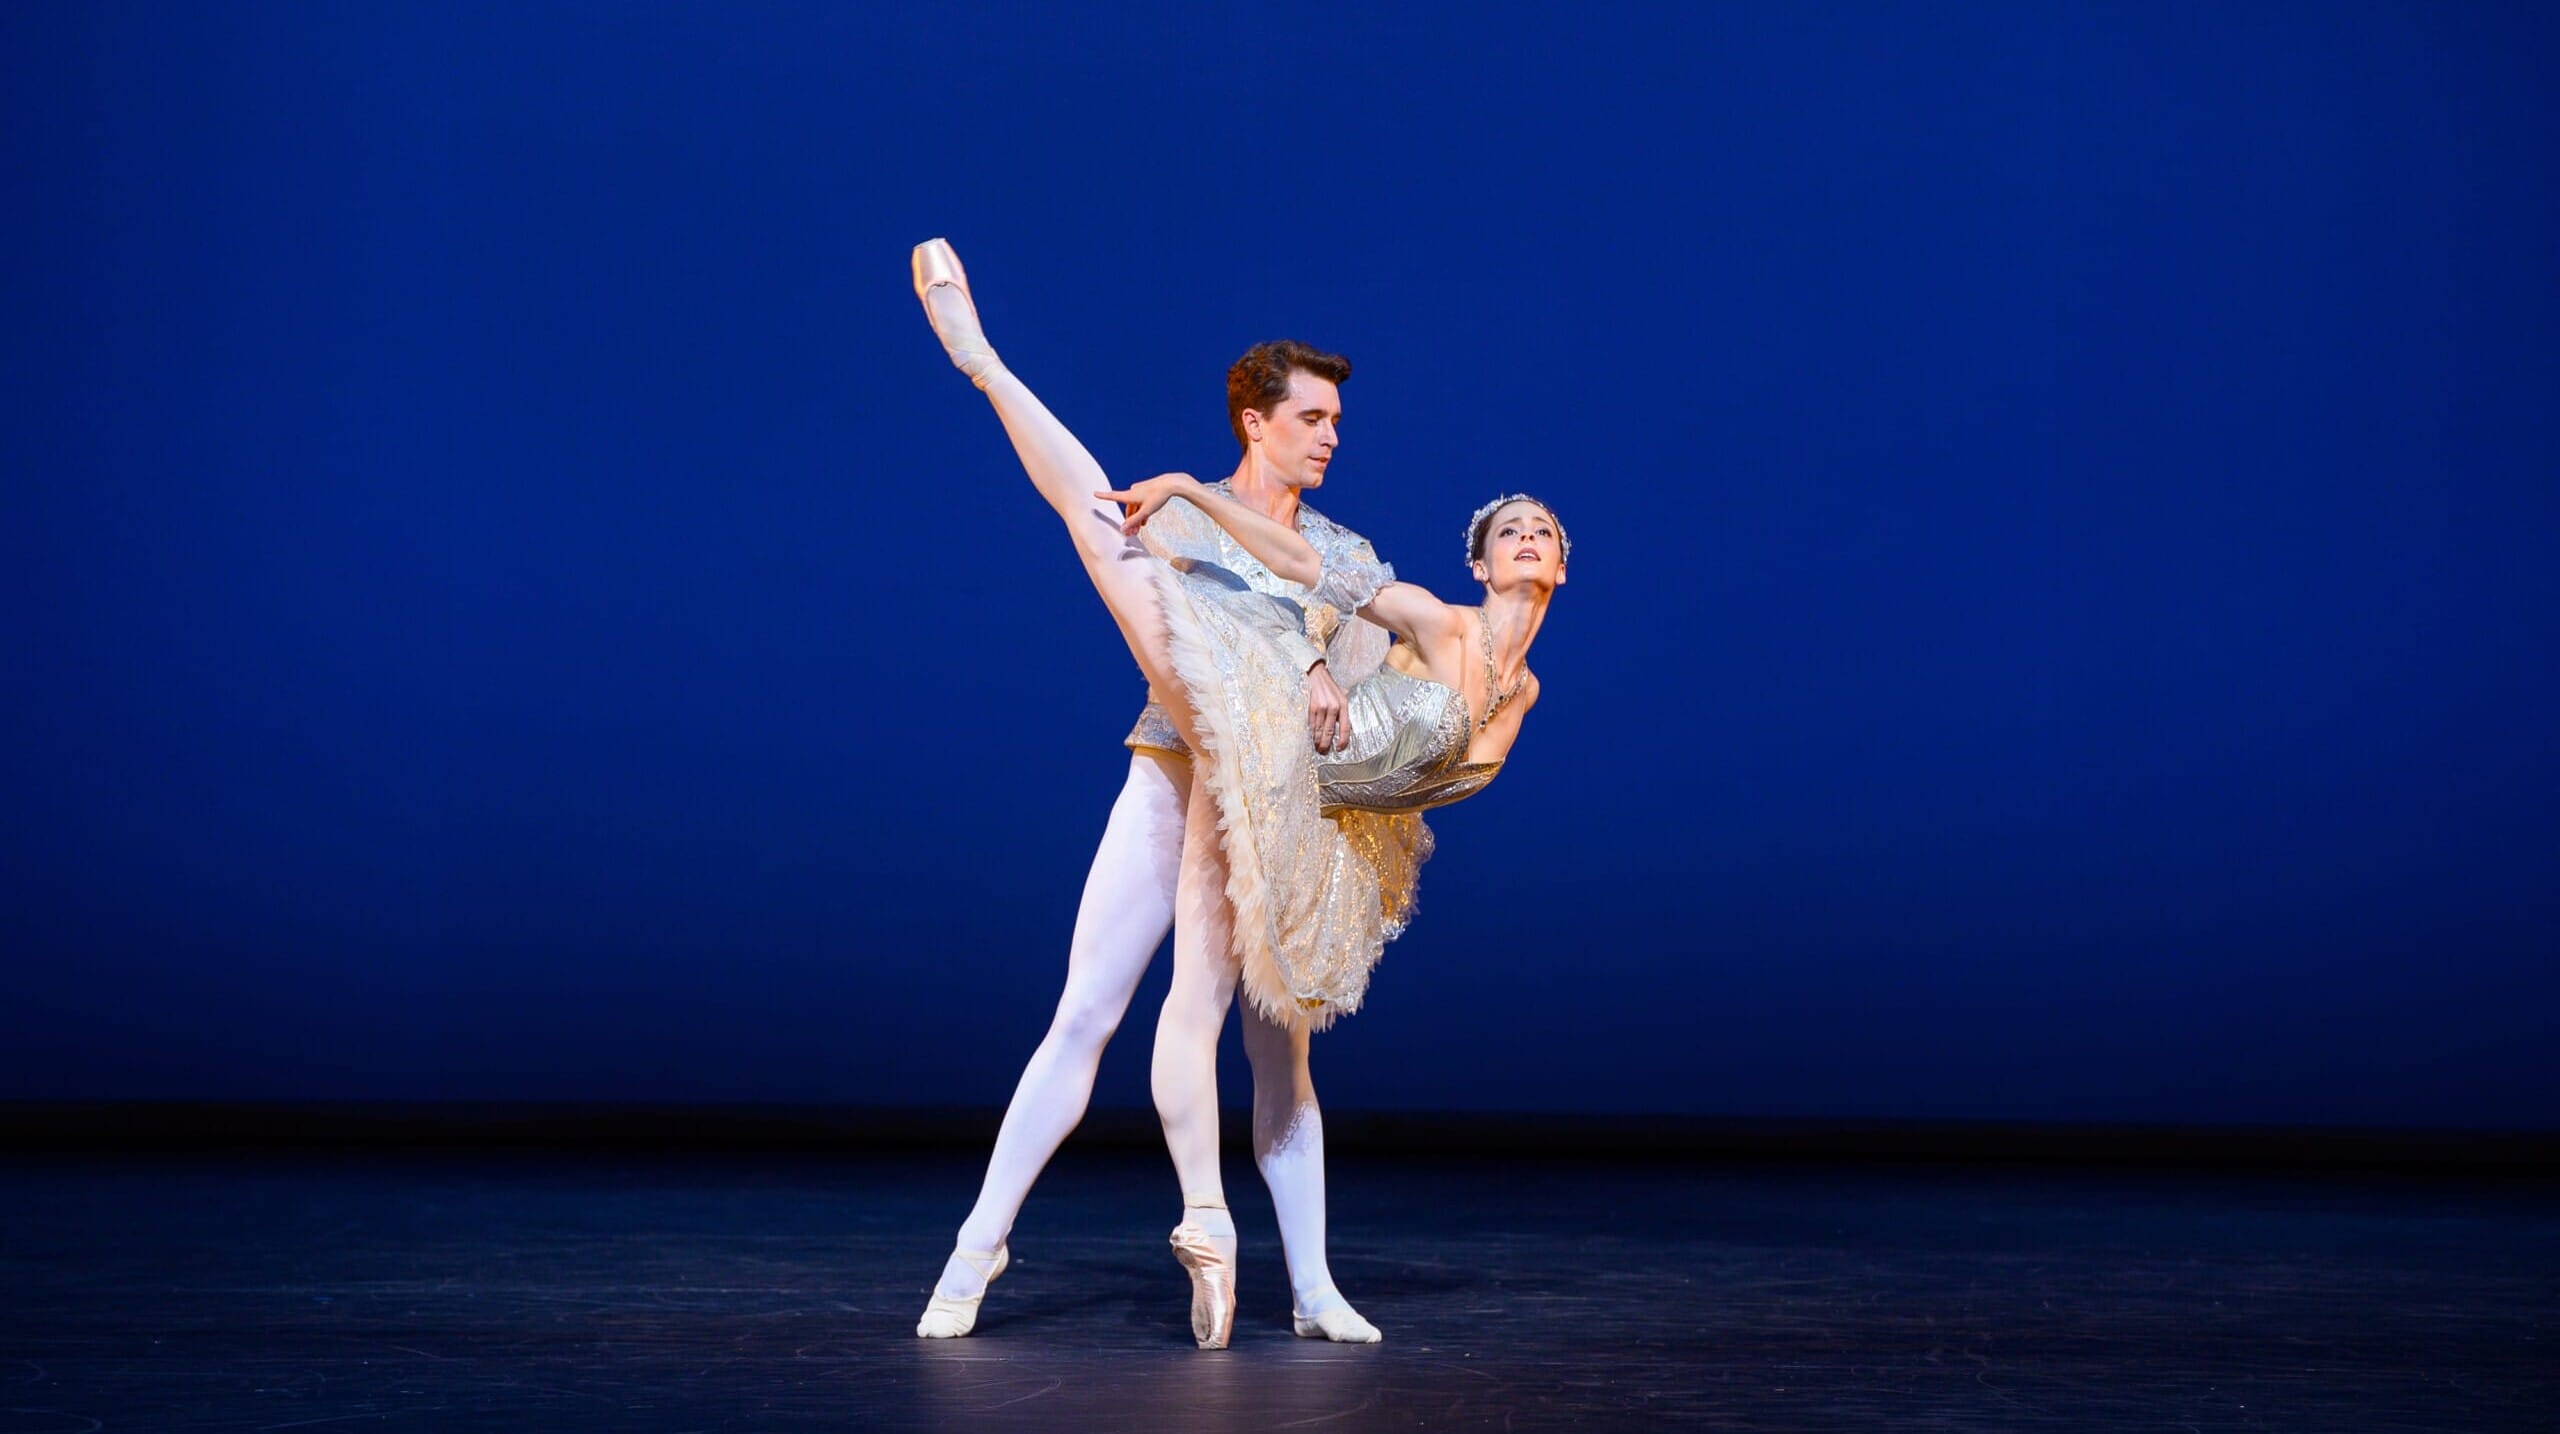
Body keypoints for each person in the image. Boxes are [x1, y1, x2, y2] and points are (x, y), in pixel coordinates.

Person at [910, 238, 1567, 1349]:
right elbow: (1146, 556)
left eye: (1335, 422)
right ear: (1255, 420)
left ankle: (1310, 1286)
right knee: (1084, 1011)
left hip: (1268, 792)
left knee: (1280, 1047)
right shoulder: (1181, 512)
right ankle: (978, 1248)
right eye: (1311, 417)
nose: (1330, 436)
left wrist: (1332, 682)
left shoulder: (1346, 550)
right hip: (1173, 766)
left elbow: (1367, 676)